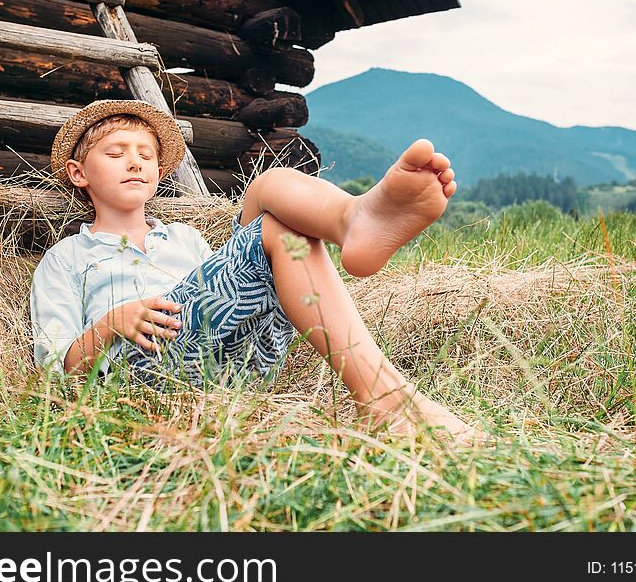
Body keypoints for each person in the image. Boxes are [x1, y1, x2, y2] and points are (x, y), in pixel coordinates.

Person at [30, 100, 483, 444]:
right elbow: (56, 369)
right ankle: (386, 396)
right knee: (273, 222)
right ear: (78, 173)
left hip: (238, 367)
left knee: (273, 197)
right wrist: (112, 323)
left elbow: (228, 291)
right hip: (143, 376)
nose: (135, 161)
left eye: (146, 155)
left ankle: (352, 218)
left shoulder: (185, 240)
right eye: (116, 153)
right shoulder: (68, 258)